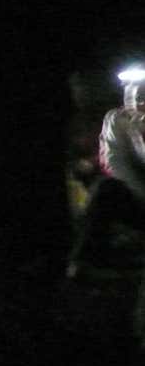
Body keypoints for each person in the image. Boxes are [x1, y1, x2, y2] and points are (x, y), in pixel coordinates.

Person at [69, 66, 145, 274]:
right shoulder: (117, 120)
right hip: (140, 198)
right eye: (133, 91)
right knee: (106, 188)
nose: (137, 98)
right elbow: (115, 163)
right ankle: (89, 260)